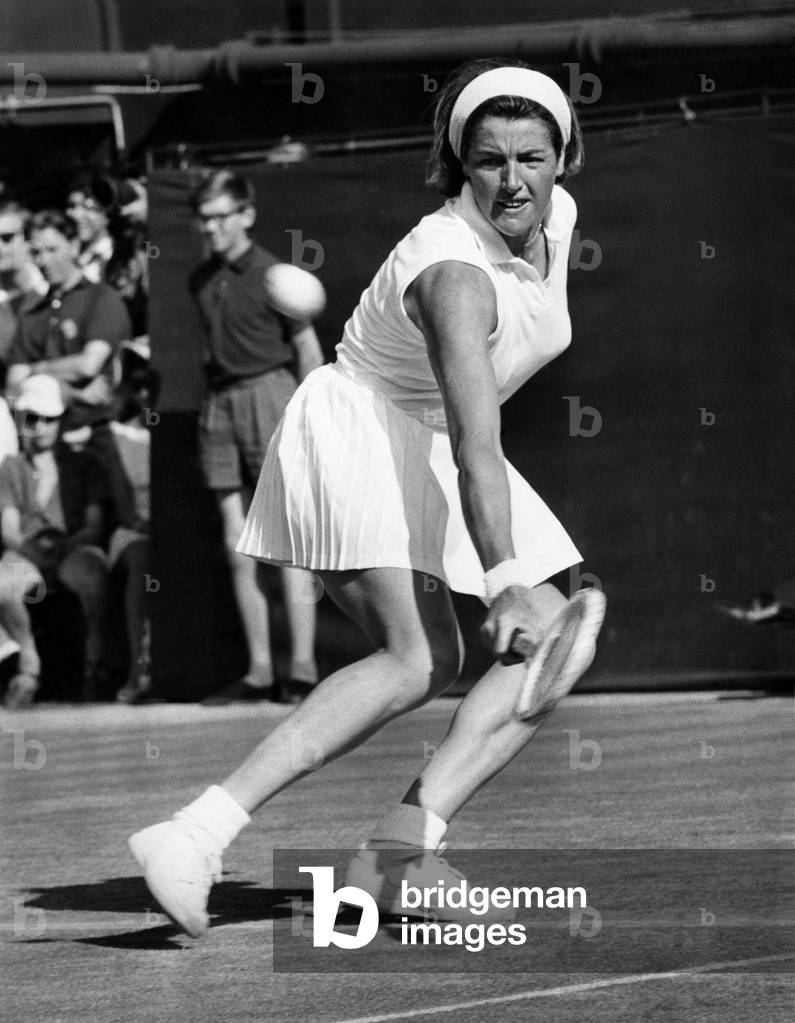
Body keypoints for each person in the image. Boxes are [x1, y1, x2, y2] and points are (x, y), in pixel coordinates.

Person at [129, 58, 600, 938]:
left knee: (572, 618)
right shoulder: (452, 273)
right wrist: (501, 576)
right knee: (416, 658)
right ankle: (192, 833)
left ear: (563, 156)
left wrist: (519, 583)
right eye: (488, 160)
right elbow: (475, 440)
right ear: (461, 164)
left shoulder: (557, 216)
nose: (511, 180)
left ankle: (399, 851)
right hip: (362, 426)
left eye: (531, 158)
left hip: (426, 431)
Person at [188, 170, 324, 704]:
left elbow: (308, 352)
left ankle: (304, 669)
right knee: (236, 544)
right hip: (219, 405)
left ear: (246, 214)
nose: (212, 228)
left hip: (272, 397)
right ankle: (260, 671)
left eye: (222, 216)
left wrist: (309, 416)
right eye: (204, 219)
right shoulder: (199, 279)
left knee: (289, 544)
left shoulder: (275, 277)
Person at [0, 374, 109, 709]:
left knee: (92, 580)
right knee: (4, 583)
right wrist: (34, 551)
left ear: (61, 421)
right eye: (32, 418)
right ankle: (29, 667)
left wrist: (63, 548)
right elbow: (10, 531)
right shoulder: (11, 467)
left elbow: (94, 526)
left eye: (49, 419)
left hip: (73, 550)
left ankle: (95, 669)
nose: (41, 426)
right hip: (29, 555)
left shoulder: (85, 462)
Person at [5, 209, 132, 439]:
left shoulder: (101, 299)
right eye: (36, 252)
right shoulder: (32, 313)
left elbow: (88, 365)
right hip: (44, 435)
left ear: (74, 245)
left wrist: (36, 371)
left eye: (52, 249)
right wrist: (72, 392)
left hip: (96, 434)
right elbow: (13, 384)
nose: (44, 260)